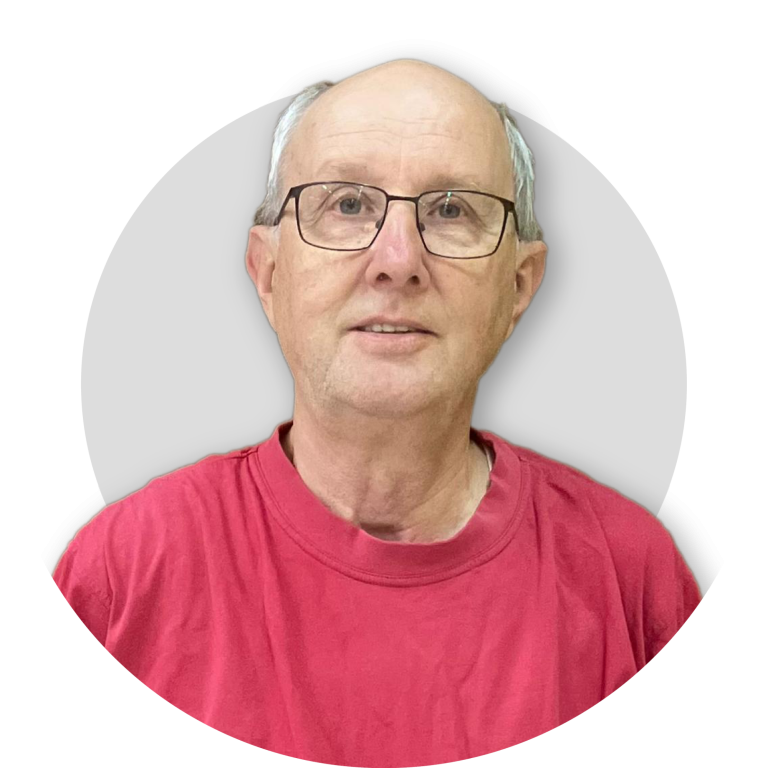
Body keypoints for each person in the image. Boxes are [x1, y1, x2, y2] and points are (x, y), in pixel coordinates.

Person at [54, 59, 701, 764]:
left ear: (518, 286)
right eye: (347, 204)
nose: (397, 260)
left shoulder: (630, 577)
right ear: (269, 272)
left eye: (450, 209)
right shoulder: (124, 570)